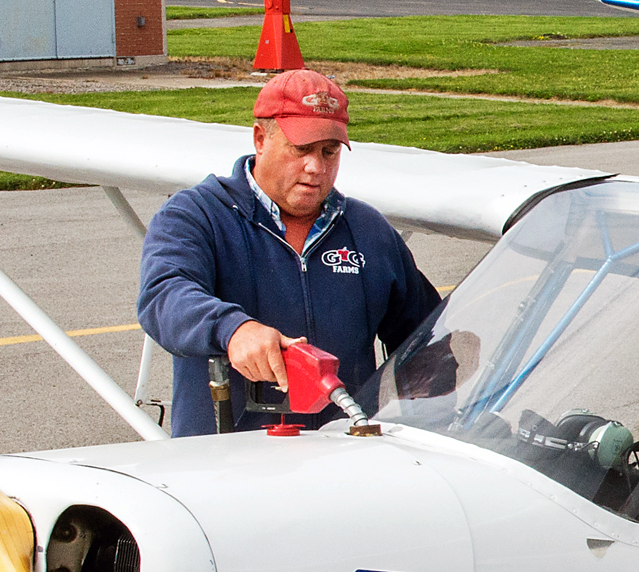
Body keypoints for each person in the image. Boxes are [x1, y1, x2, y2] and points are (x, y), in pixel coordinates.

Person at [137, 69, 447, 436]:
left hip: (347, 460)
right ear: (260, 139)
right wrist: (234, 330)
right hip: (224, 466)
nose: (316, 168)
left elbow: (427, 340)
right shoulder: (196, 215)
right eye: (301, 150)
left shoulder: (368, 230)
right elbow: (163, 295)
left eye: (329, 152)